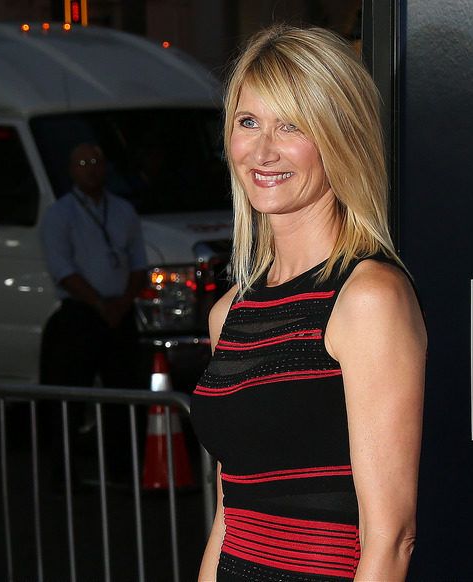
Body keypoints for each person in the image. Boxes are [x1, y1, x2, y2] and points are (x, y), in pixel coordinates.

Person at [190, 25, 426, 581]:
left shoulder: (367, 298)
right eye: (248, 122)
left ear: (340, 137)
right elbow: (229, 520)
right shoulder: (230, 315)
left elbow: (390, 539)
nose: (262, 150)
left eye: (291, 125)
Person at [39, 142, 148, 480]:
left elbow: (138, 265)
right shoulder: (60, 215)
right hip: (81, 315)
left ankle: (123, 470)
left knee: (124, 395)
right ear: (72, 170)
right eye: (83, 162)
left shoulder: (123, 211)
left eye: (97, 161)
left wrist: (122, 303)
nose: (91, 168)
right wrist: (100, 305)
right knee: (71, 396)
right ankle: (64, 472)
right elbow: (63, 271)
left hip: (120, 312)